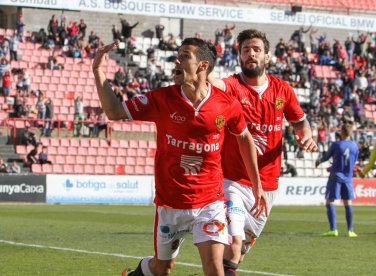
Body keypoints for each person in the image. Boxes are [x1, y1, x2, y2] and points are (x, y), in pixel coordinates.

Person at [93, 38, 267, 276]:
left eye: (185, 56)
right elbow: (114, 111)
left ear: (203, 65)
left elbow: (244, 137)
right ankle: (140, 272)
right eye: (178, 55)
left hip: (210, 201)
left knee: (215, 269)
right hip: (171, 202)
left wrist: (257, 185)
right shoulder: (161, 98)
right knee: (162, 269)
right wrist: (98, 71)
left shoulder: (226, 104)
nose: (177, 60)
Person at [208, 29, 317, 275]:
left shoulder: (283, 90)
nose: (251, 54)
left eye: (256, 49)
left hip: (268, 185)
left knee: (239, 253)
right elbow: (213, 82)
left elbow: (300, 121)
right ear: (239, 56)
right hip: (232, 181)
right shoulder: (232, 86)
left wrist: (305, 134)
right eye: (245, 50)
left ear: (267, 57)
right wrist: (205, 61)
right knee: (233, 244)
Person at [315, 123, 359, 238]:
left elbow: (326, 157)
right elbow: (353, 162)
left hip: (336, 177)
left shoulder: (336, 145)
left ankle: (333, 229)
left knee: (329, 201)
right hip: (348, 178)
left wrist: (319, 161)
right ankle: (350, 230)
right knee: (348, 203)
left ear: (342, 132)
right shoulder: (355, 146)